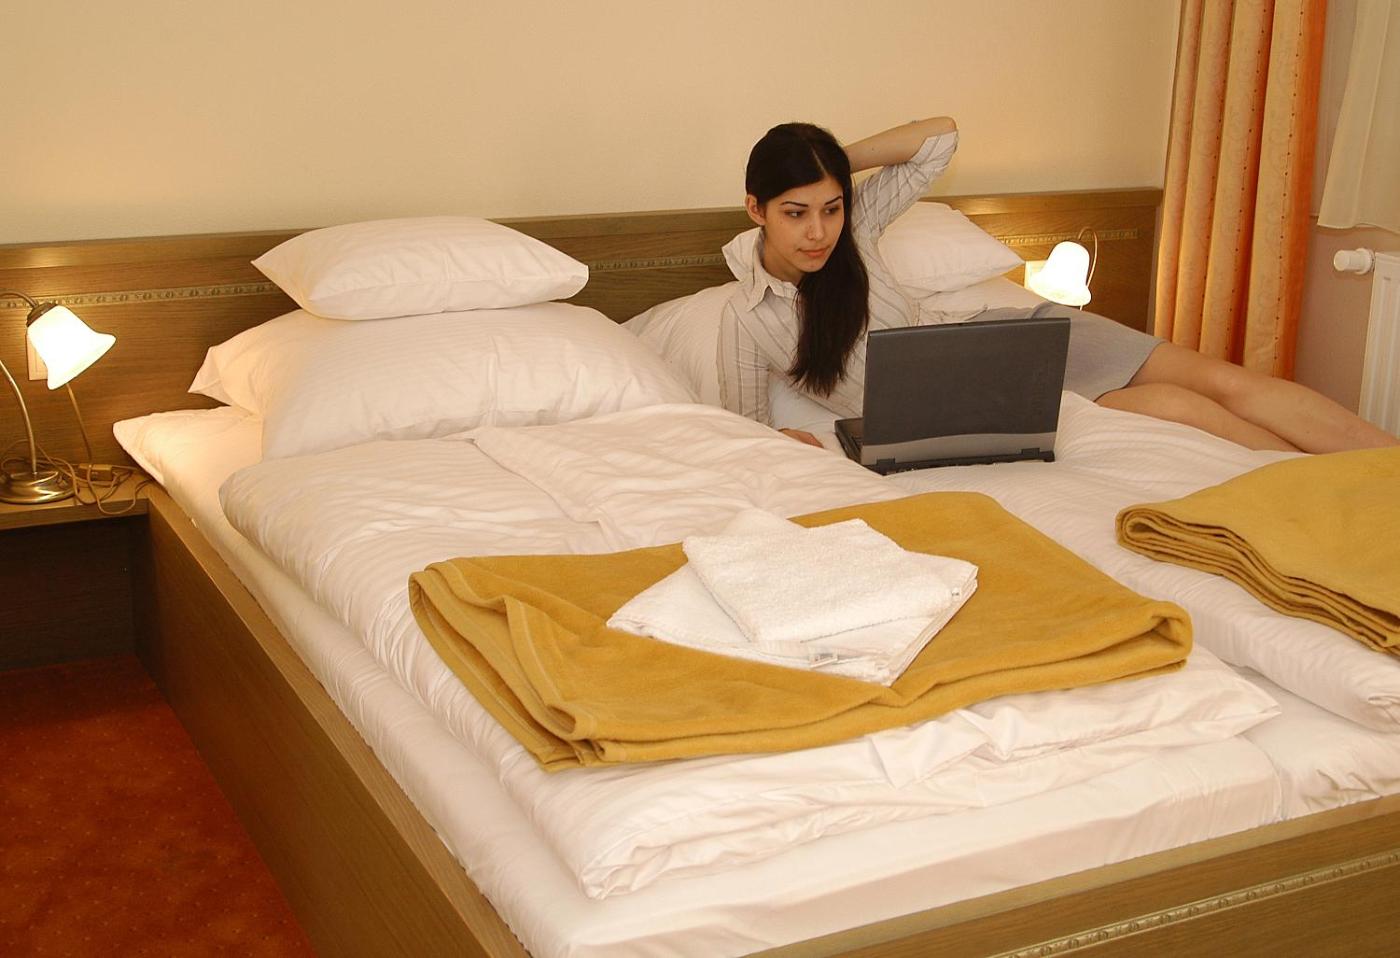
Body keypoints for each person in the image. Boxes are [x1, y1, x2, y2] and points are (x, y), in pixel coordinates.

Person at [718, 118, 1398, 453]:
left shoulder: (859, 225)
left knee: (1223, 381)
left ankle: (1381, 470)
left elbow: (940, 137)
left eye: (831, 207)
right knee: (1179, 409)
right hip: (979, 407)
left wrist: (832, 163)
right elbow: (743, 432)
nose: (818, 232)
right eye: (795, 212)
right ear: (756, 209)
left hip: (1014, 337)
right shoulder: (746, 317)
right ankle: (1316, 483)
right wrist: (790, 443)